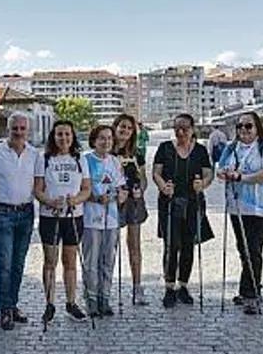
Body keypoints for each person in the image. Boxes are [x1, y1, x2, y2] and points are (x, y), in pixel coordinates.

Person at [217, 112, 263, 315]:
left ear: (257, 128)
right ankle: (247, 289)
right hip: (238, 207)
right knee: (244, 249)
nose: (243, 130)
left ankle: (252, 294)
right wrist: (225, 174)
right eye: (240, 126)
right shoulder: (231, 148)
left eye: (248, 126)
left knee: (253, 249)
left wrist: (241, 177)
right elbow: (220, 169)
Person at [152, 113, 214, 308]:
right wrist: (163, 186)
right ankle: (169, 287)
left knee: (188, 245)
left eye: (184, 128)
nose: (180, 132)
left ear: (192, 129)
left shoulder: (200, 150)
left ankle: (183, 285)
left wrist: (202, 184)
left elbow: (208, 174)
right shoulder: (165, 148)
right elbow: (156, 172)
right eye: (177, 128)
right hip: (169, 203)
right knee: (171, 245)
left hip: (193, 202)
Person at [33, 120, 90, 324]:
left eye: (67, 134)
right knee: (50, 261)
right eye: (59, 134)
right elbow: (37, 189)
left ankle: (71, 303)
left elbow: (86, 189)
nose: (63, 138)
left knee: (70, 261)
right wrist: (49, 201)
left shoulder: (80, 159)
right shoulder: (44, 159)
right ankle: (49, 304)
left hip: (74, 216)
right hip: (50, 217)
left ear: (73, 137)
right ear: (53, 137)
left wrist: (76, 200)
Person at [0, 112, 40, 330]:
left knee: (19, 264)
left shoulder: (35, 154)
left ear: (27, 130)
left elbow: (39, 185)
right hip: (3, 213)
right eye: (15, 128)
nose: (19, 132)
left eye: (22, 128)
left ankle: (13, 304)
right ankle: (5, 309)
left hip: (26, 213)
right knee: (5, 265)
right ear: (7, 129)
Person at [82, 125, 127, 317]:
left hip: (111, 218)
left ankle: (105, 297)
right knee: (91, 261)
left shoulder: (115, 161)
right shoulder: (86, 160)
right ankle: (91, 299)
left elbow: (121, 186)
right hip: (91, 218)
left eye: (109, 138)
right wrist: (95, 197)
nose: (106, 142)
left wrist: (122, 195)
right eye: (102, 138)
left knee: (108, 259)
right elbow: (82, 188)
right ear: (94, 140)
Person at [111, 114, 149, 306]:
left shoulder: (137, 153)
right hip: (113, 202)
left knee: (134, 246)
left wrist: (140, 189)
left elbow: (143, 178)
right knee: (109, 246)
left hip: (134, 202)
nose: (125, 131)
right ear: (115, 127)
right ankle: (104, 287)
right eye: (122, 127)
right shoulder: (107, 151)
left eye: (129, 128)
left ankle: (137, 287)